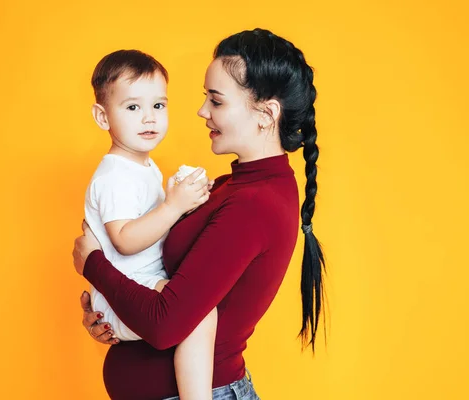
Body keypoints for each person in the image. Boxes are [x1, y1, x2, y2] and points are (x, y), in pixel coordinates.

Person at [73, 28, 325, 400]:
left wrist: (93, 264)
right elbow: (157, 285)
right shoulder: (229, 187)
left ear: (266, 114)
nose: (201, 111)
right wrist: (108, 310)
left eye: (217, 101)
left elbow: (165, 324)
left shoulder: (255, 204)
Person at [83, 49, 217, 400]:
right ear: (102, 116)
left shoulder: (144, 167)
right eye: (132, 107)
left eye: (158, 106)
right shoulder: (114, 174)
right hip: (124, 296)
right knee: (198, 314)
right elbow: (126, 239)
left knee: (197, 309)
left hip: (143, 284)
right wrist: (173, 206)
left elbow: (154, 229)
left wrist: (187, 203)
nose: (149, 118)